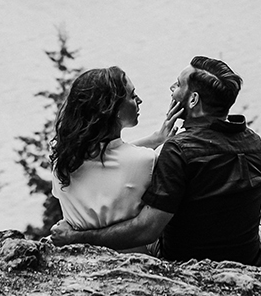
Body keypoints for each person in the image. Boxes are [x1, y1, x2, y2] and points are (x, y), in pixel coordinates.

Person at [50, 56, 261, 265]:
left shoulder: (177, 151)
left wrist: (75, 238)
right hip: (247, 256)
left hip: (184, 258)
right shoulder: (254, 142)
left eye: (178, 84)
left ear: (192, 100)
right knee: (259, 226)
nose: (171, 89)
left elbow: (148, 228)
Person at [51, 66, 180, 234]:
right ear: (114, 109)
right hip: (130, 256)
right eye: (132, 96)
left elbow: (106, 158)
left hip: (76, 254)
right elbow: (123, 159)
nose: (139, 100)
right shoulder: (146, 161)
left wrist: (156, 138)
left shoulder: (62, 158)